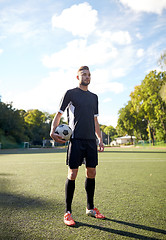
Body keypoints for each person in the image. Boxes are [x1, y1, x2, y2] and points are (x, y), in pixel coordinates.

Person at [50, 66, 105, 226]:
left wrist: (100, 139)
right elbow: (59, 114)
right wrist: (52, 131)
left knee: (92, 172)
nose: (87, 77)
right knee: (72, 173)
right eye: (84, 74)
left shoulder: (94, 97)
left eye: (89, 75)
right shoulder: (70, 93)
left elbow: (95, 121)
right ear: (77, 77)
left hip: (90, 141)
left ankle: (90, 208)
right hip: (76, 140)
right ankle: (68, 212)